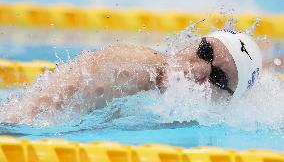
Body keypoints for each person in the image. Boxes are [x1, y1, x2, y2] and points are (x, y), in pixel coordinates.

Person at [1, 30, 262, 124]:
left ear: (228, 100)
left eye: (218, 78)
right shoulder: (130, 68)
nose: (198, 69)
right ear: (193, 41)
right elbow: (25, 115)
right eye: (204, 51)